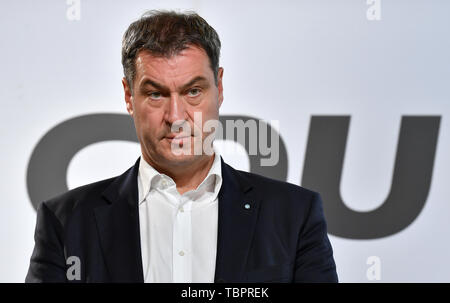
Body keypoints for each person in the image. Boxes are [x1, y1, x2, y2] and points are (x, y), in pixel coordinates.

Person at [25, 10, 338, 283]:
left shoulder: (295, 216)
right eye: (156, 94)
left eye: (193, 91)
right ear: (128, 96)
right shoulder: (65, 222)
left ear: (220, 87)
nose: (176, 117)